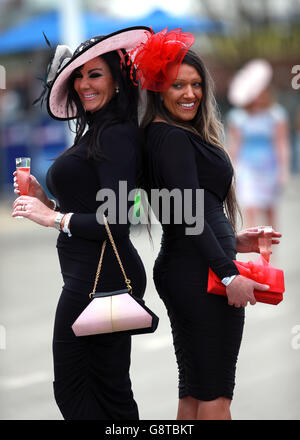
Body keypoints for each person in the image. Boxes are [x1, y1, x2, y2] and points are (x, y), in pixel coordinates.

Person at [132, 29, 282, 420]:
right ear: (157, 90)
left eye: (196, 84)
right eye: (177, 85)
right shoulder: (172, 138)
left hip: (187, 265)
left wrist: (235, 241)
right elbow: (188, 211)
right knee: (216, 394)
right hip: (200, 273)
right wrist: (229, 274)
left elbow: (190, 212)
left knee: (196, 392)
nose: (190, 94)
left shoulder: (162, 136)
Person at [12, 27, 152, 420]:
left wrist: (54, 218)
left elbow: (121, 219)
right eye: (78, 75)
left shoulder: (118, 134)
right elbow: (95, 201)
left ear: (117, 80)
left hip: (103, 276)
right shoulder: (97, 129)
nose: (84, 83)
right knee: (95, 389)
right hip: (86, 274)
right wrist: (48, 199)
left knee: (88, 390)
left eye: (95, 74)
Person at [226, 59, 291, 228]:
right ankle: (254, 249)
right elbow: (234, 144)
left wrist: (283, 170)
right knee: (251, 209)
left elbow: (281, 143)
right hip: (247, 167)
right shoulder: (238, 117)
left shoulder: (277, 115)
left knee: (270, 210)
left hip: (270, 167)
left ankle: (269, 252)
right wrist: (232, 168)